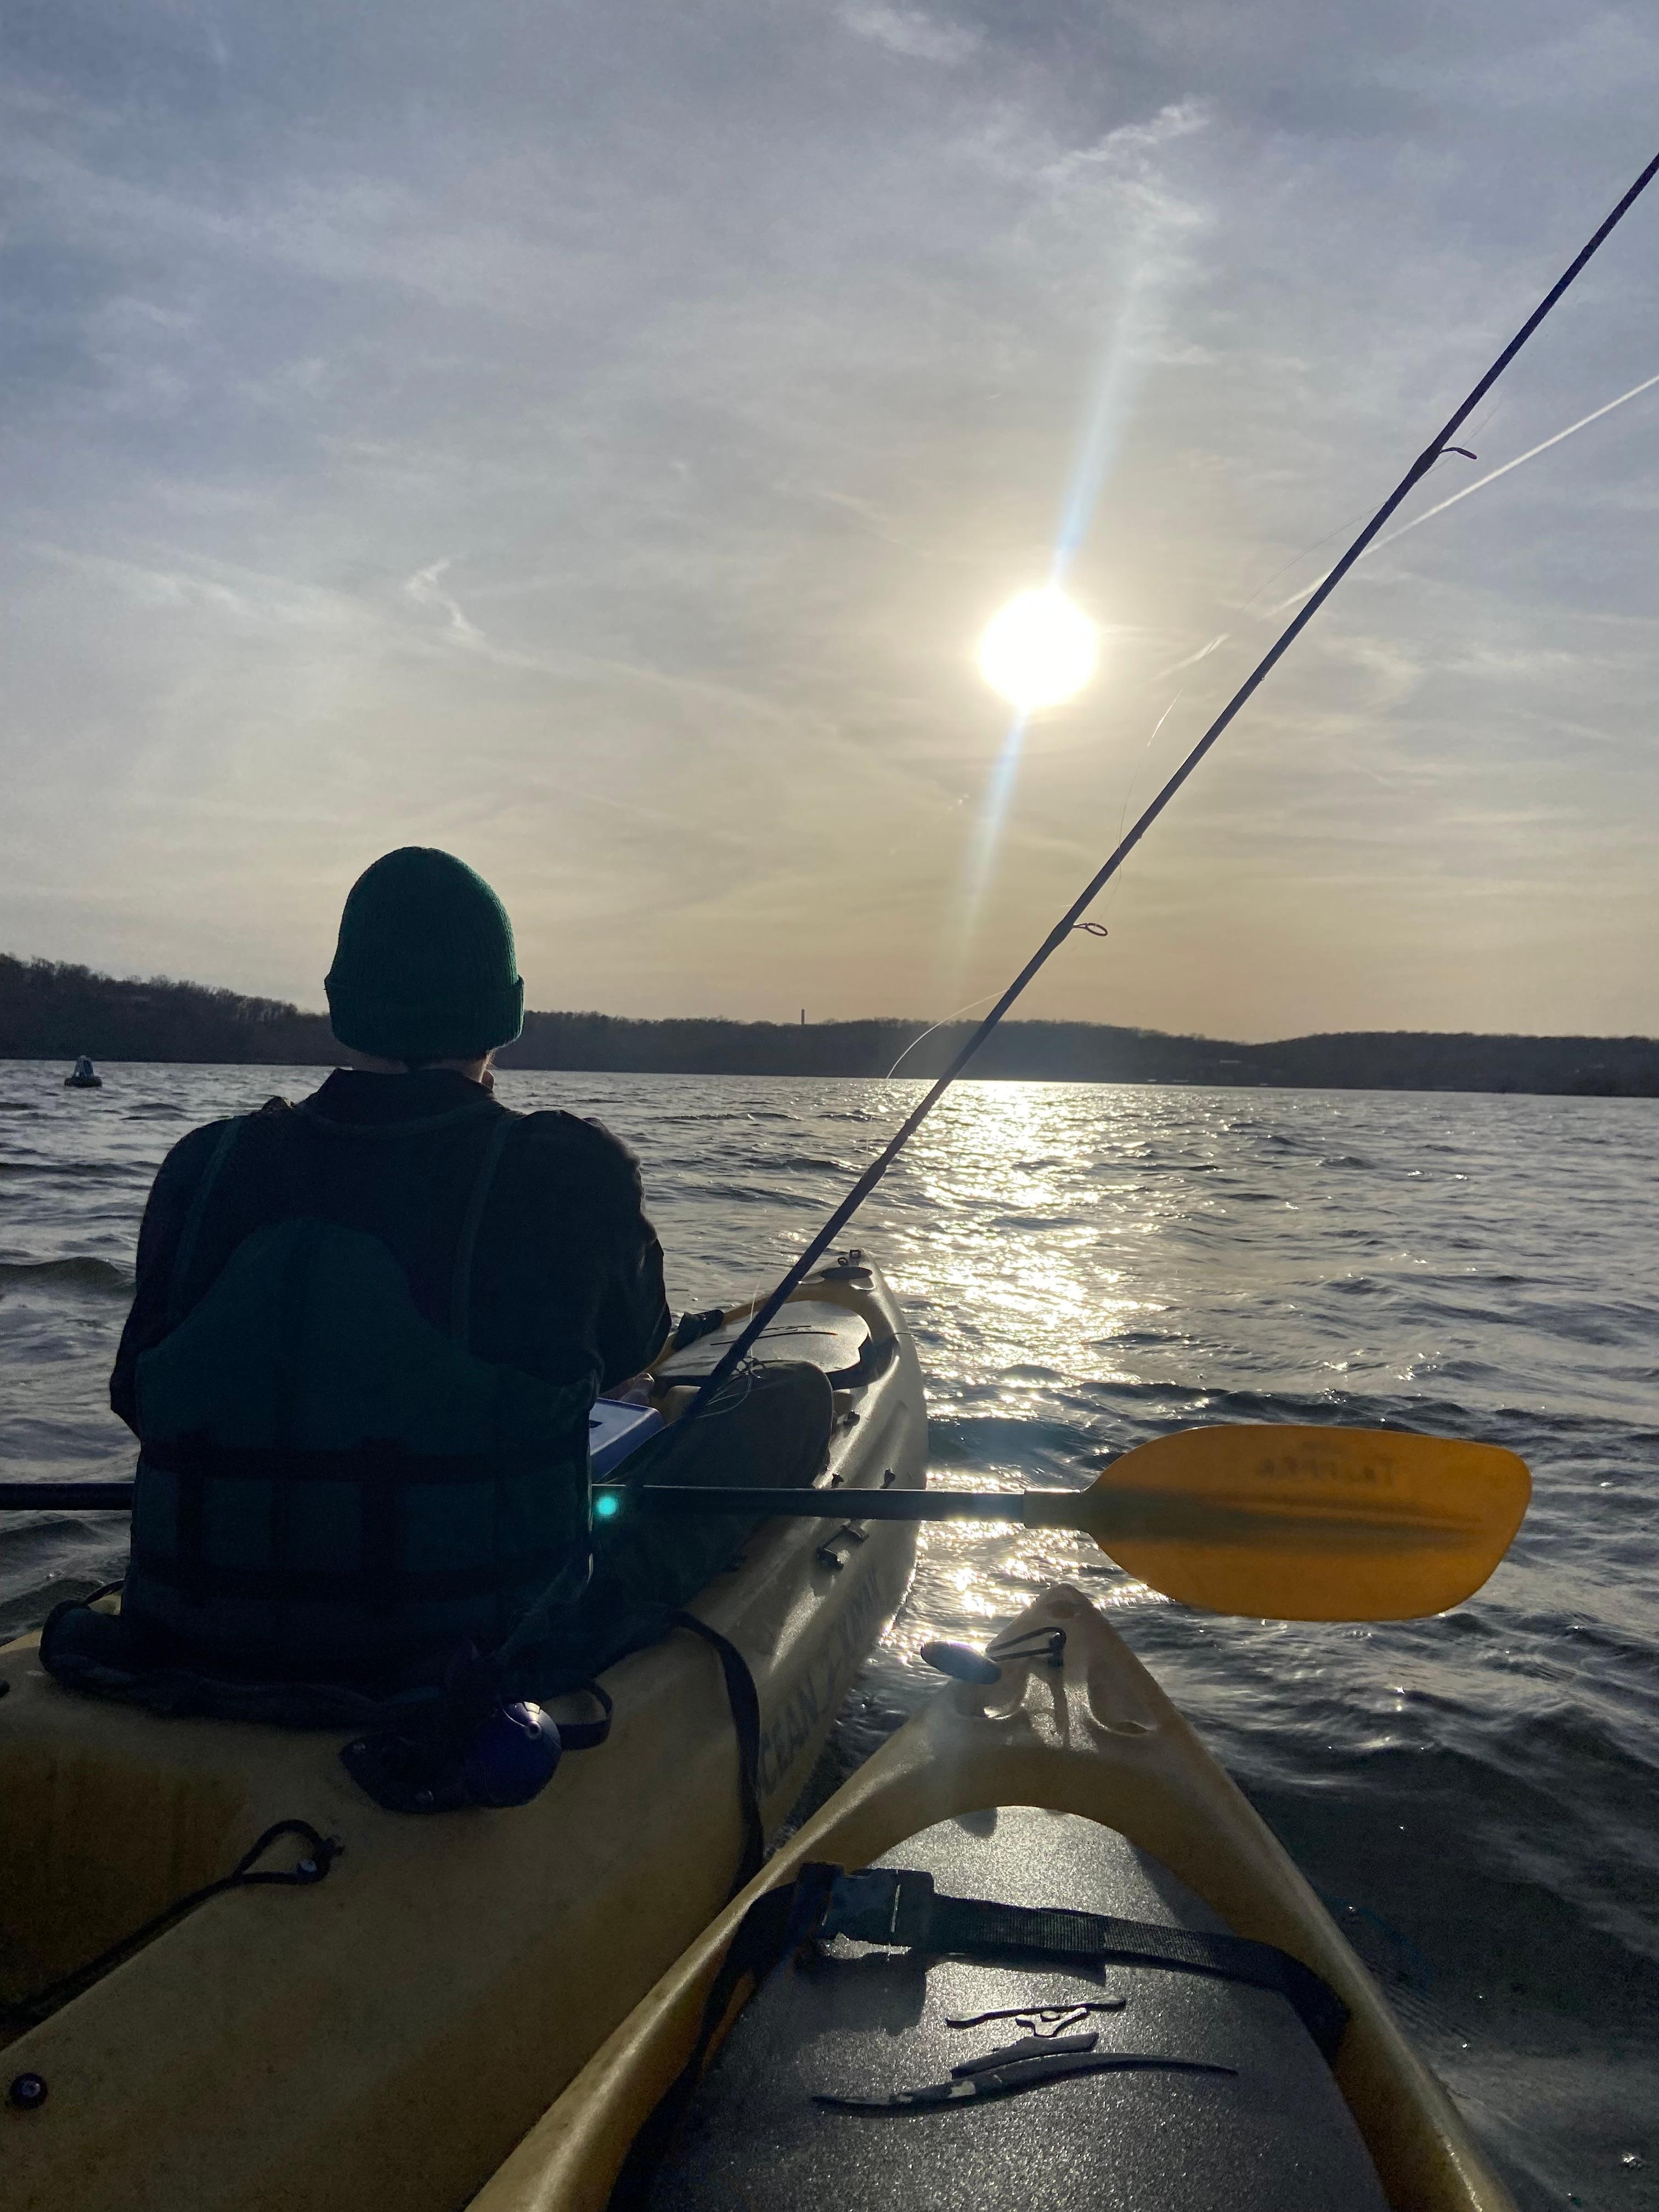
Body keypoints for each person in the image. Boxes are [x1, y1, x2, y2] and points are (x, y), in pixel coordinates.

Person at [92, 847, 830, 1700]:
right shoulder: (565, 1166)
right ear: (501, 1015)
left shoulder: (203, 1165)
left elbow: (133, 1395)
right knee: (792, 1397)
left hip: (186, 1634)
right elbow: (637, 1354)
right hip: (472, 1657)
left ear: (344, 1008)